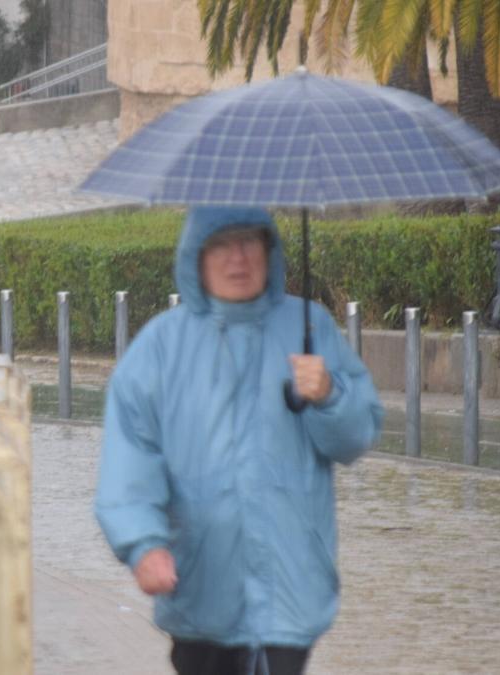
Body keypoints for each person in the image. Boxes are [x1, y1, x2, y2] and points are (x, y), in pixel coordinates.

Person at [94, 206, 384, 675]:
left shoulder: (310, 328)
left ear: (270, 252)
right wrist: (143, 544)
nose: (238, 259)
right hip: (200, 583)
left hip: (291, 584)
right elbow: (131, 457)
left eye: (250, 242)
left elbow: (355, 438)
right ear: (196, 257)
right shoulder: (160, 347)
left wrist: (330, 395)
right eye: (222, 245)